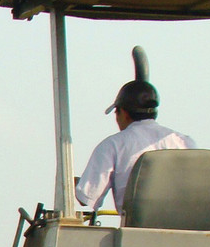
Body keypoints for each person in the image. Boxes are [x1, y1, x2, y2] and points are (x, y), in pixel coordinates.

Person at [74, 75, 196, 213]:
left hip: (134, 231)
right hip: (183, 228)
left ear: (124, 113)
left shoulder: (112, 145)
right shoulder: (184, 142)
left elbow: (86, 197)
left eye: (116, 113)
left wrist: (73, 183)